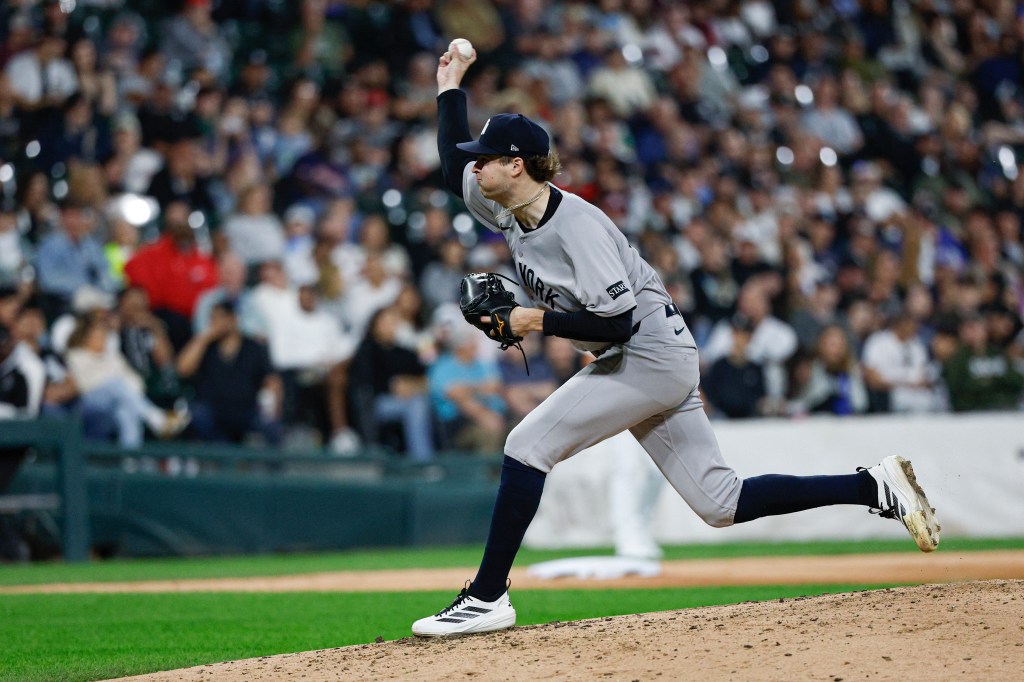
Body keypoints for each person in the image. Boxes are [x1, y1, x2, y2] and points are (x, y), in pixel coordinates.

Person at [410, 46, 942, 637]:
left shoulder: (578, 228)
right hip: (657, 355)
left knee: (527, 444)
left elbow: (616, 326)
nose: (474, 169)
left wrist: (531, 321)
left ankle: (488, 596)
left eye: (485, 161)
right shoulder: (507, 204)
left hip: (646, 356)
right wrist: (450, 84)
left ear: (518, 165)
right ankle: (873, 484)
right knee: (720, 502)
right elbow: (446, 165)